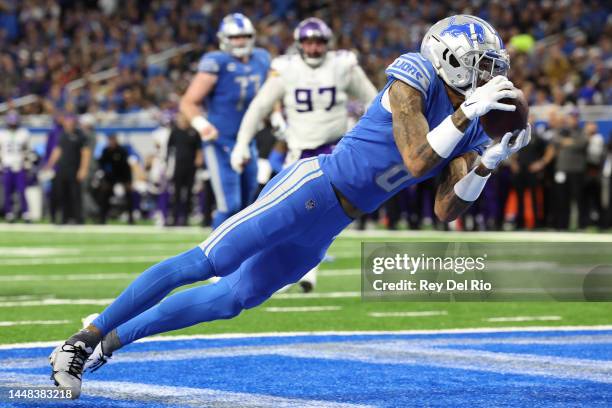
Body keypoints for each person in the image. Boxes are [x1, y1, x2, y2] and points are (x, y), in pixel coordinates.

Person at [49, 15, 530, 399]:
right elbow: (415, 156)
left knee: (233, 299)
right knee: (208, 262)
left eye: (493, 64)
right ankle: (81, 340)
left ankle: (110, 342)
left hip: (332, 222)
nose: (491, 74)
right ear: (447, 59)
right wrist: (468, 112)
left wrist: (488, 160)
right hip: (310, 187)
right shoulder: (415, 74)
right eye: (480, 63)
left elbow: (447, 210)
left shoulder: (471, 126)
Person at [231, 17, 378, 291]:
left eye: (318, 42)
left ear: (327, 44)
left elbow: (376, 100)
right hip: (297, 150)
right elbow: (259, 107)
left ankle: (308, 269)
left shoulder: (343, 65)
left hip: (334, 149)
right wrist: (242, 142)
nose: (313, 49)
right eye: (308, 43)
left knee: (326, 213)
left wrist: (363, 134)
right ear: (299, 44)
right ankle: (244, 264)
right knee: (278, 209)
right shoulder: (286, 69)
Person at [179, 13, 270, 228]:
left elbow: (269, 92)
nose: (241, 41)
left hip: (247, 140)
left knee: (250, 205)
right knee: (229, 205)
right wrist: (202, 124)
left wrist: (275, 114)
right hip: (221, 141)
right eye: (235, 37)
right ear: (224, 39)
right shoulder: (215, 62)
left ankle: (242, 257)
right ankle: (214, 258)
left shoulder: (262, 58)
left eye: (245, 36)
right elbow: (188, 102)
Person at [43, 114, 91, 224]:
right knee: (62, 194)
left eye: (70, 123)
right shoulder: (62, 135)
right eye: (66, 123)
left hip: (75, 169)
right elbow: (57, 150)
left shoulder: (80, 135)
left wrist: (83, 169)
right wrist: (49, 165)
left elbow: (85, 153)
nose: (68, 126)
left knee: (75, 195)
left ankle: (78, 219)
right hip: (62, 169)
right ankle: (65, 218)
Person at [167, 113, 203, 226]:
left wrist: (198, 158)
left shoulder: (193, 132)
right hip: (178, 166)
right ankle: (174, 217)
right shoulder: (175, 132)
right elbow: (169, 148)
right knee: (176, 192)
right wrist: (168, 163)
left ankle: (185, 218)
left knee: (188, 192)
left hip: (191, 166)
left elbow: (199, 148)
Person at [0, 111, 31, 221]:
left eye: (14, 122)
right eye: (11, 123)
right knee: (7, 191)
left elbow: (27, 151)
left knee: (22, 190)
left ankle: (25, 213)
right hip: (7, 165)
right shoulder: (2, 134)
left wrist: (27, 165)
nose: (13, 125)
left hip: (19, 165)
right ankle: (9, 213)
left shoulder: (23, 133)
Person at [96, 134, 134, 224]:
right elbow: (101, 165)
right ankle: (102, 218)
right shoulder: (106, 151)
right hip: (110, 177)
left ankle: (131, 218)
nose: (111, 142)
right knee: (104, 194)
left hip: (123, 176)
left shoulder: (122, 151)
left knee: (129, 196)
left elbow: (126, 167)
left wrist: (128, 181)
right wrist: (104, 179)